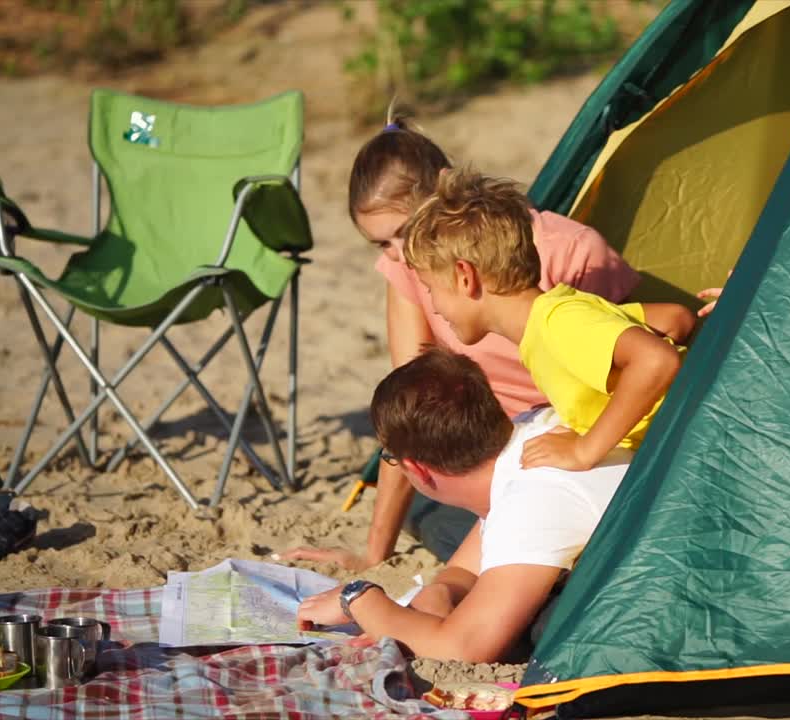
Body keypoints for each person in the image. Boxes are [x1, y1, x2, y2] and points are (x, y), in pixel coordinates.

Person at [276, 116, 640, 571]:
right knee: (435, 511)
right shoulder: (410, 269)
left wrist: (583, 450)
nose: (399, 255)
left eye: (405, 232)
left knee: (473, 532)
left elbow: (640, 349)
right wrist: (375, 551)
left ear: (445, 188)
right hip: (481, 447)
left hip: (569, 439)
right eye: (380, 244)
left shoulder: (567, 251)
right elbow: (411, 406)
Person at [296, 349, 632, 661]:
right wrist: (440, 593)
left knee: (542, 627)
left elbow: (463, 647)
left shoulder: (530, 498)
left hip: (651, 612)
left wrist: (357, 598)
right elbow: (467, 569)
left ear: (416, 469)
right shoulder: (530, 431)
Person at [402, 168, 695, 473]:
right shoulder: (560, 310)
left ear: (465, 276)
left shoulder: (557, 323)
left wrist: (586, 448)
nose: (433, 307)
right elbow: (676, 319)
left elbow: (656, 360)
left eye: (430, 289)